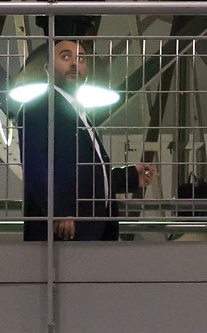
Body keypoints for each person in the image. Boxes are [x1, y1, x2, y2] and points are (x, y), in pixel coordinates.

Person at [14, 13, 154, 242]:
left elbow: (85, 175)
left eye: (81, 59)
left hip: (86, 231)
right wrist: (57, 211)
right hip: (63, 233)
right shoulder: (39, 108)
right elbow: (36, 166)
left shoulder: (77, 113)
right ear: (48, 67)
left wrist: (129, 176)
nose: (74, 64)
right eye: (65, 56)